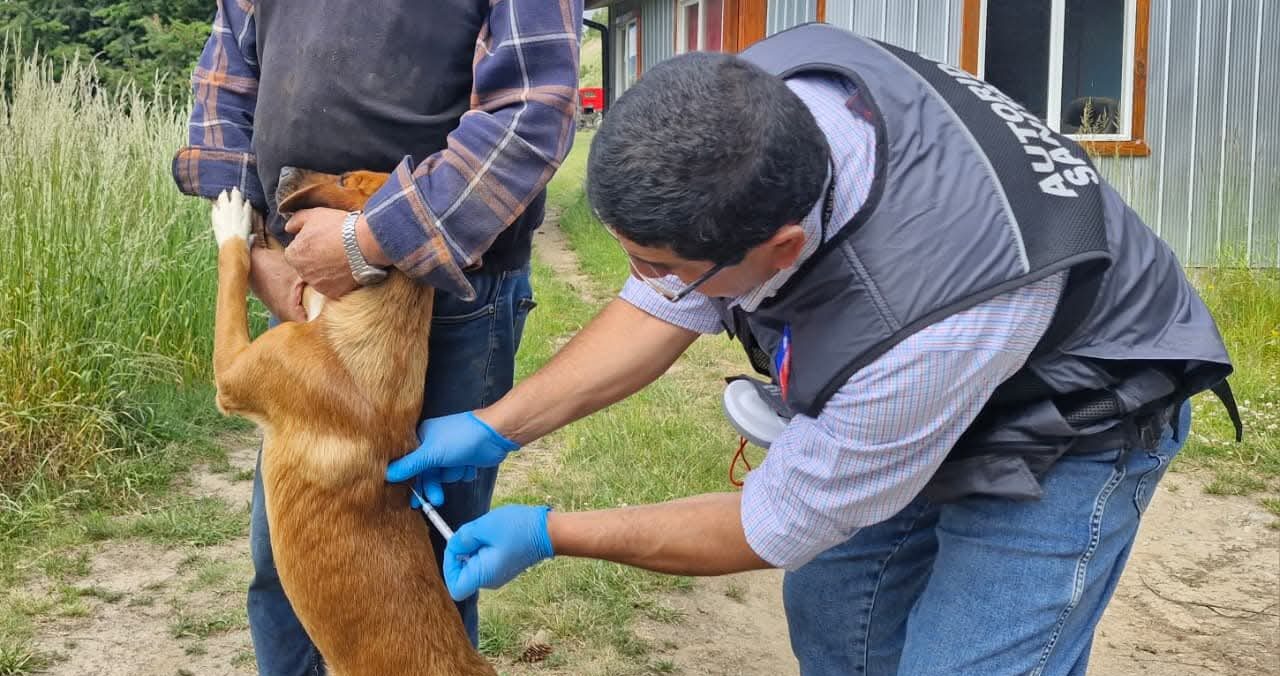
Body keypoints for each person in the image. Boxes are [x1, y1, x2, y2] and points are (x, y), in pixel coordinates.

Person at [386, 23, 1241, 676]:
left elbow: (774, 522)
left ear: (784, 246)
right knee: (838, 614)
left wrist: (549, 531)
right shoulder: (756, 112)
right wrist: (496, 427)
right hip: (933, 370)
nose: (649, 283)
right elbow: (664, 300)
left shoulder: (931, 319)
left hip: (1071, 420)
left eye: (667, 268)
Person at [172, 1, 581, 673]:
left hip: (448, 292)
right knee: (285, 561)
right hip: (304, 278)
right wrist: (262, 248)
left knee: (425, 573)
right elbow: (226, 80)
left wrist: (368, 243)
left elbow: (533, 112)